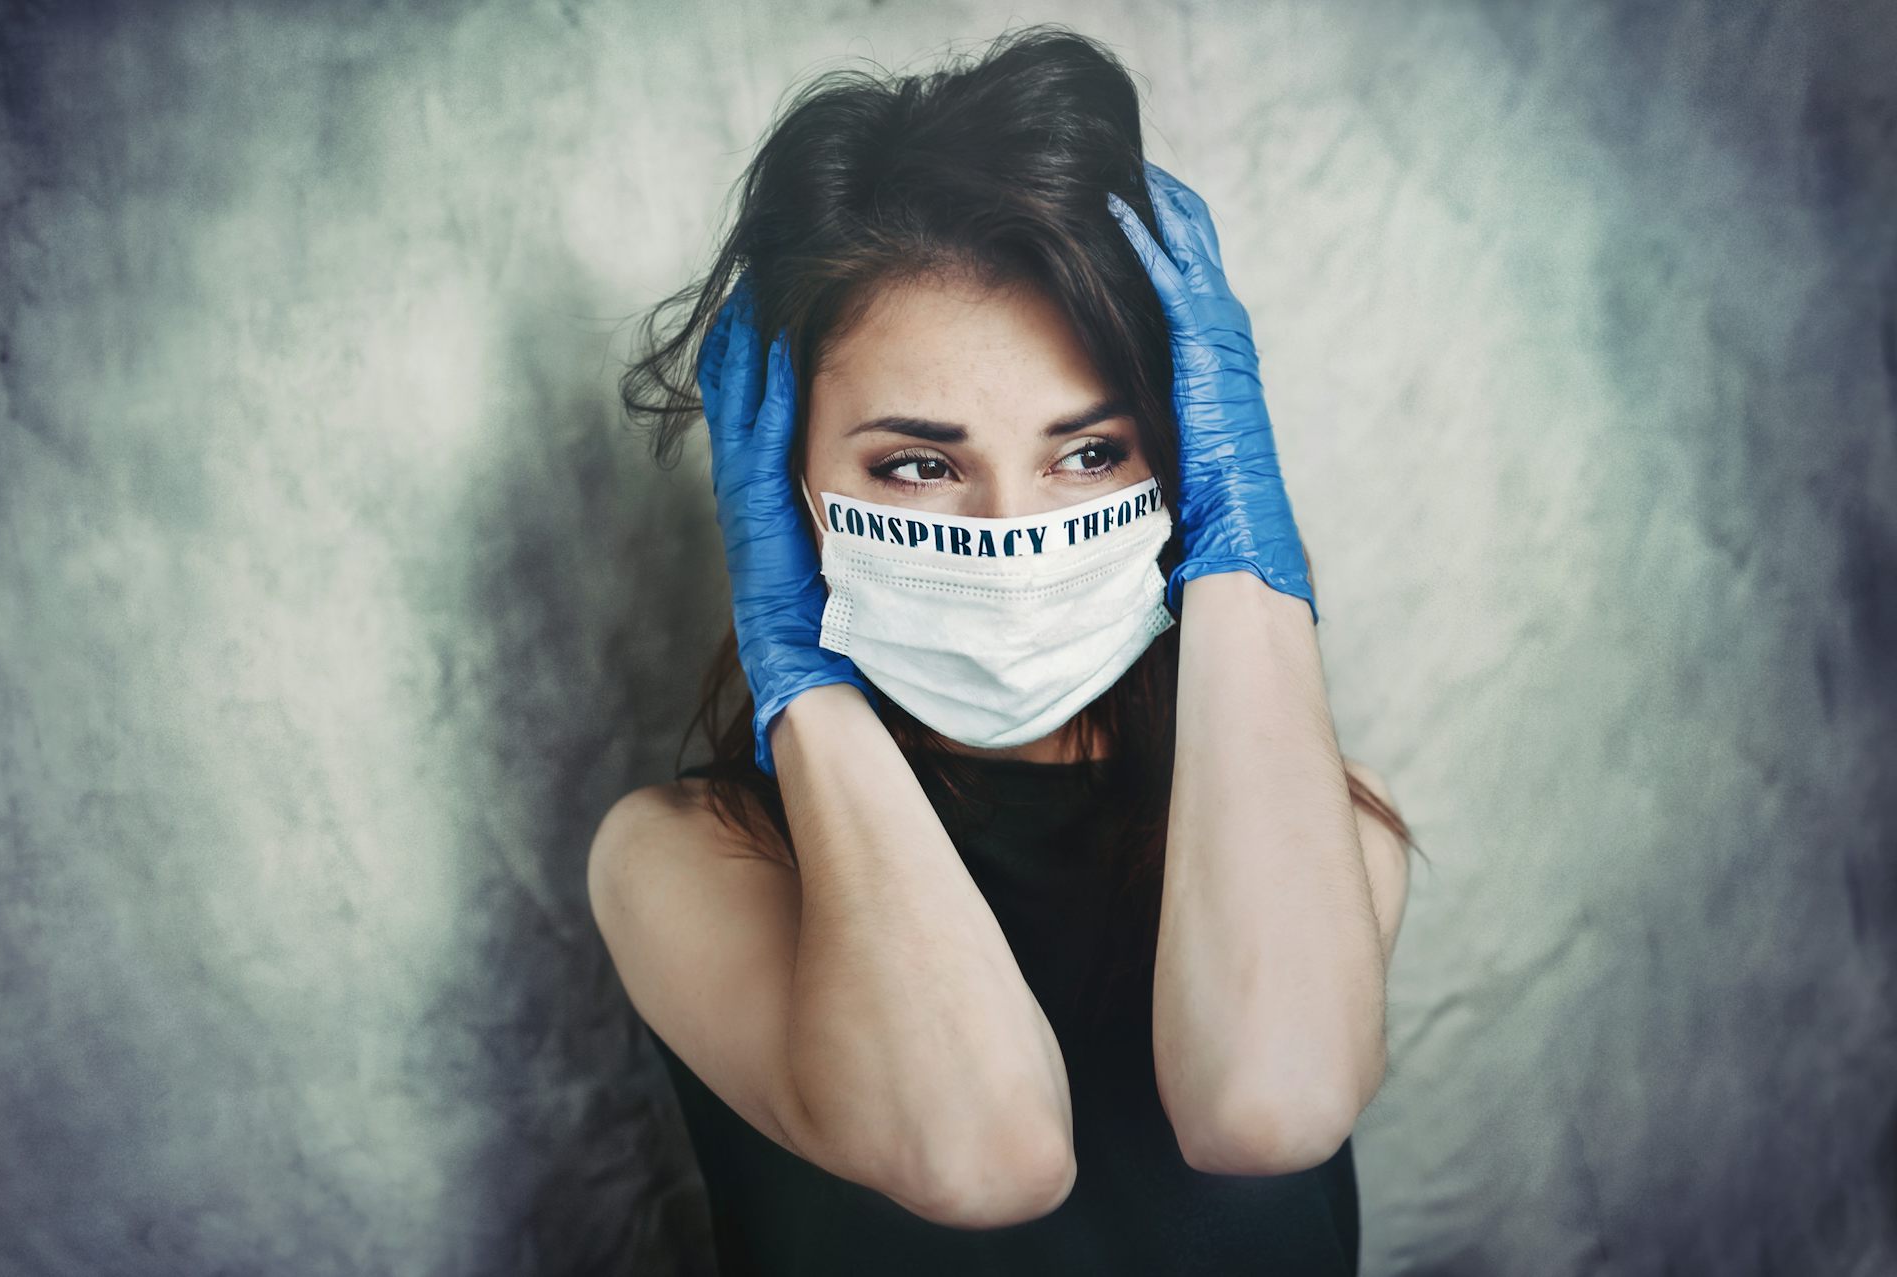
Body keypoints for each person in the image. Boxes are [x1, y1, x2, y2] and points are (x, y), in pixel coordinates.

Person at [589, 25, 1423, 1275]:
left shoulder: (1327, 839)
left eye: (1091, 451)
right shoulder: (683, 862)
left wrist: (1246, 556)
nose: (1013, 530)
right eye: (918, 464)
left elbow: (1272, 1102)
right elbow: (983, 1151)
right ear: (790, 486)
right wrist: (794, 670)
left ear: (1185, 464)